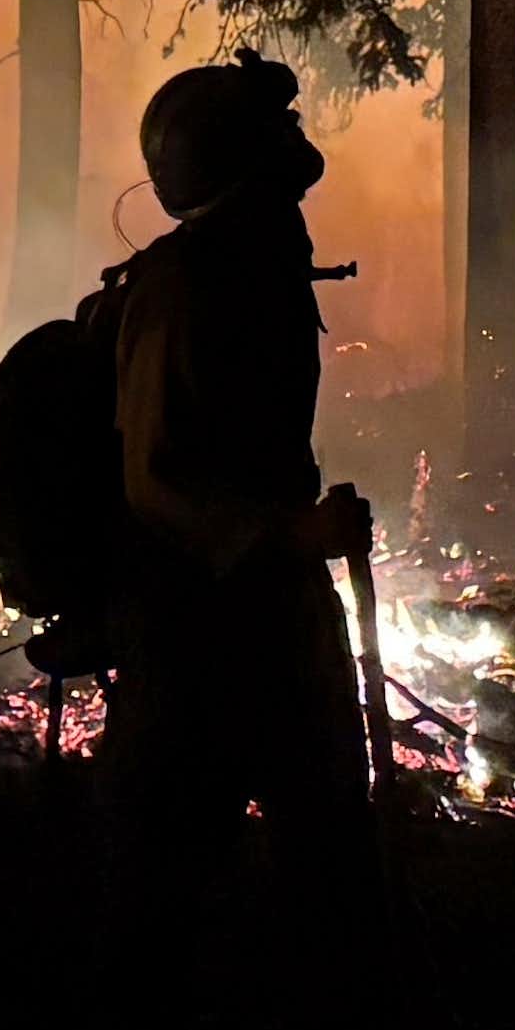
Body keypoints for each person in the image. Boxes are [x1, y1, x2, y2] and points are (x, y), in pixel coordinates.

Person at [101, 51, 374, 929]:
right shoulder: (182, 286)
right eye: (276, 125)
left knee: (330, 863)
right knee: (164, 896)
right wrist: (294, 535)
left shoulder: (259, 264)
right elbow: (156, 483)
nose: (297, 138)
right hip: (197, 635)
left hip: (276, 613)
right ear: (233, 155)